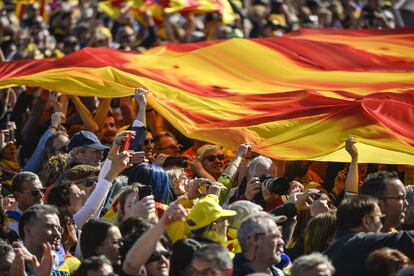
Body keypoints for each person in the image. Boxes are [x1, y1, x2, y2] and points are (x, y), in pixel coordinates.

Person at [324, 195, 414, 276]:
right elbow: (407, 239)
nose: (382, 225)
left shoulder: (328, 254)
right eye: (381, 218)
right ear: (367, 221)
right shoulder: (359, 242)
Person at [19, 204, 77, 275]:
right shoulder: (11, 264)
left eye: (59, 229)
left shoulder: (62, 265)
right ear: (28, 229)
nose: (57, 234)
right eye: (49, 226)